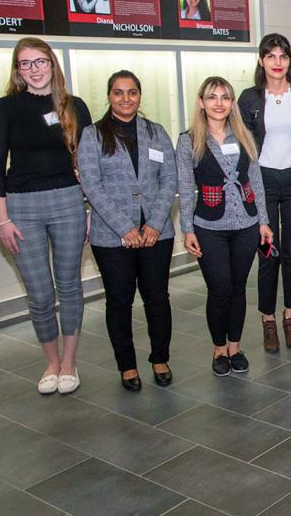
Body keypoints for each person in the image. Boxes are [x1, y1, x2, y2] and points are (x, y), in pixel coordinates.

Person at [0, 37, 92, 394]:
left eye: (40, 61)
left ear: (52, 64)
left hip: (68, 203)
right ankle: (50, 362)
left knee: (70, 286)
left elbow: (88, 166)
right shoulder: (5, 108)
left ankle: (69, 363)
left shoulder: (74, 106)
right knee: (40, 294)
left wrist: (89, 209)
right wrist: (2, 220)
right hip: (21, 207)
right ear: (17, 70)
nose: (34, 69)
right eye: (25, 63)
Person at [78, 71, 177, 391]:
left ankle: (160, 358)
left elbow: (169, 181)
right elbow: (92, 186)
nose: (126, 99)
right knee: (119, 302)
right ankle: (128, 366)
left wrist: (154, 223)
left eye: (132, 92)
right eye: (118, 93)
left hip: (155, 235)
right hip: (111, 238)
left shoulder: (156, 132)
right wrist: (125, 228)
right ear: (109, 96)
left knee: (157, 299)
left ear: (140, 96)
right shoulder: (92, 135)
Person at [177, 76, 273, 376]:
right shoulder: (188, 140)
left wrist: (264, 222)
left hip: (246, 224)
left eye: (225, 97)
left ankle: (235, 346)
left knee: (238, 288)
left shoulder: (243, 136)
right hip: (208, 225)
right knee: (219, 289)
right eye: (212, 97)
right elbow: (184, 185)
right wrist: (187, 228)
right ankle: (218, 348)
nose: (219, 103)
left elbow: (255, 180)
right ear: (201, 102)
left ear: (232, 103)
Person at [238, 34, 291, 353]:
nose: (278, 62)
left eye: (283, 56)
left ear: (290, 60)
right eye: (271, 56)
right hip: (264, 180)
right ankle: (268, 320)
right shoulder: (249, 98)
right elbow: (242, 141)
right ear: (261, 61)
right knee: (269, 253)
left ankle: (290, 317)